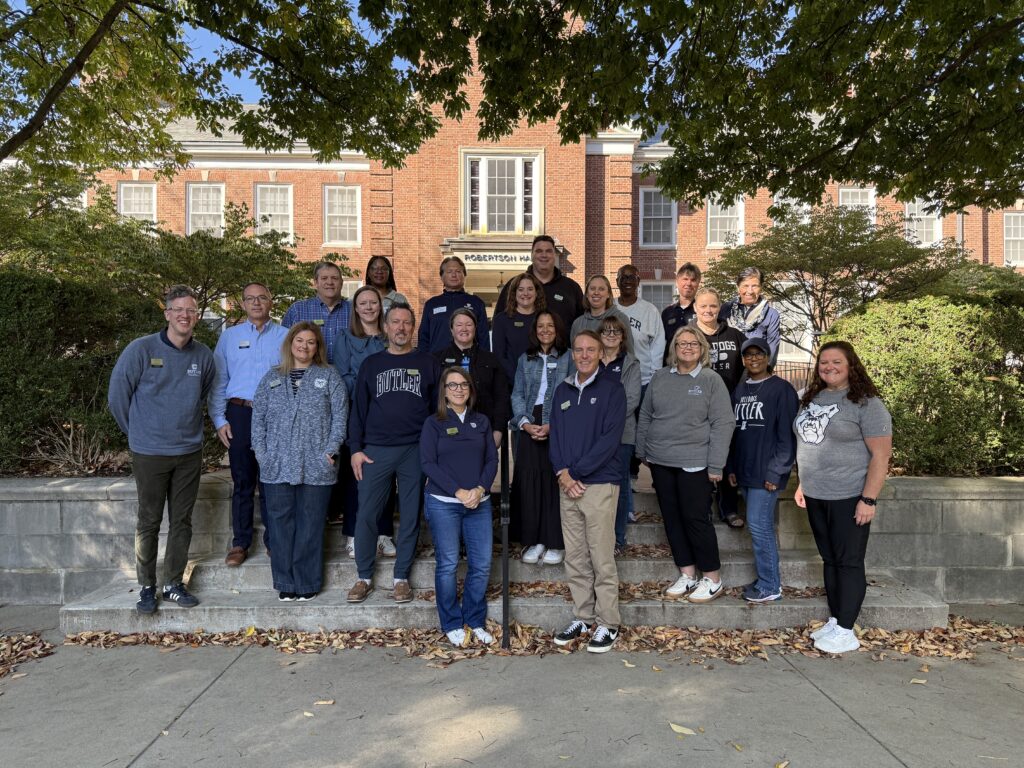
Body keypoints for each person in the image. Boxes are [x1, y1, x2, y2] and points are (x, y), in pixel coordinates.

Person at [108, 285, 215, 614]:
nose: (185, 315)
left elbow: (203, 395)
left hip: (188, 451)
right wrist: (139, 434)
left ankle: (173, 584)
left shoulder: (203, 356)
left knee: (181, 520)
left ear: (196, 316)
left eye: (191, 310)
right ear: (167, 313)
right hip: (150, 452)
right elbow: (117, 398)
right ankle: (147, 586)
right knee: (149, 521)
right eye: (178, 309)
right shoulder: (141, 350)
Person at [794, 341, 892, 654]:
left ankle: (847, 631)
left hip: (849, 496)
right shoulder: (813, 397)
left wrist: (869, 499)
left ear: (850, 365)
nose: (829, 368)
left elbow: (881, 456)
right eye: (824, 363)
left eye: (836, 362)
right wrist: (802, 483)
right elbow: (810, 443)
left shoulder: (866, 403)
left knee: (849, 562)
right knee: (830, 560)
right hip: (815, 494)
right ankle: (837, 620)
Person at [347, 303, 441, 604]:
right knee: (367, 515)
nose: (401, 328)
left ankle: (401, 577)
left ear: (412, 328)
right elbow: (358, 410)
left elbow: (436, 413)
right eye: (395, 322)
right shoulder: (372, 364)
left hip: (414, 449)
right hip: (375, 450)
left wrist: (432, 454)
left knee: (411, 514)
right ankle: (363, 576)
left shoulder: (428, 362)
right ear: (385, 328)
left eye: (406, 323)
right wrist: (356, 450)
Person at [635, 326, 734, 603]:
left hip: (695, 462)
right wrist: (643, 450)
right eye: (682, 343)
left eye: (693, 343)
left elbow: (723, 423)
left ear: (702, 349)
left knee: (695, 519)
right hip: (661, 461)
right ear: (674, 348)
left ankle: (712, 578)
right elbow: (646, 415)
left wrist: (716, 465)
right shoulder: (660, 378)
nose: (687, 347)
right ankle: (688, 573)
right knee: (673, 519)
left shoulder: (710, 379)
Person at [251, 322, 348, 601]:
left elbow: (340, 418)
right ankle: (285, 582)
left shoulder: (329, 377)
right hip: (277, 464)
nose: (304, 346)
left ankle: (307, 583)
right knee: (280, 525)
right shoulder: (271, 378)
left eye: (311, 342)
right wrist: (262, 453)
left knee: (311, 524)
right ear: (290, 344)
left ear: (318, 347)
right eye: (299, 341)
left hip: (316, 464)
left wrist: (330, 450)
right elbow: (258, 420)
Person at [549, 330, 627, 653]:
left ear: (599, 353)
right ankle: (583, 615)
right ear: (573, 353)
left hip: (599, 484)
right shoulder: (563, 390)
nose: (583, 355)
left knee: (600, 555)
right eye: (578, 349)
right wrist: (563, 475)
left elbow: (610, 441)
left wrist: (576, 473)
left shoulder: (612, 389)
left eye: (590, 350)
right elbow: (555, 438)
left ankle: (609, 622)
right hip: (568, 486)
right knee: (576, 556)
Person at [209, 282, 288, 566]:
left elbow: (293, 380)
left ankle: (273, 541)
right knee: (243, 481)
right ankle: (240, 543)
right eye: (250, 299)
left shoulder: (285, 336)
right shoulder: (230, 338)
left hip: (273, 415)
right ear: (242, 304)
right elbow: (219, 382)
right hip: (239, 414)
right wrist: (219, 420)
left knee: (271, 479)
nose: (256, 303)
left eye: (262, 298)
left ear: (271, 301)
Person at [420, 367, 499, 647]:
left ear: (470, 389)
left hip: (479, 502)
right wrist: (459, 491)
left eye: (463, 384)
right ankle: (452, 622)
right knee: (449, 564)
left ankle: (474, 619)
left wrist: (479, 489)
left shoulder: (482, 422)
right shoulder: (434, 423)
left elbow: (491, 460)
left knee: (481, 564)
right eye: (452, 385)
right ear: (444, 391)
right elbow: (428, 463)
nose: (458, 389)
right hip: (444, 503)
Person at [727, 338, 799, 603]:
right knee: (758, 527)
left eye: (758, 354)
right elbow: (734, 432)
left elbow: (787, 438)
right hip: (744, 469)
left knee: (760, 528)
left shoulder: (782, 390)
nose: (753, 359)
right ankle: (766, 579)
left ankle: (770, 585)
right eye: (748, 355)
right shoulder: (741, 389)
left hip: (765, 473)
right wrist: (732, 466)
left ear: (768, 357)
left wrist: (776, 472)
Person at [332, 285, 396, 558]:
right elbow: (342, 377)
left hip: (387, 416)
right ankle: (354, 534)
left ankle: (383, 534)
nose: (369, 307)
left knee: (385, 476)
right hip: (357, 414)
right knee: (355, 476)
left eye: (373, 303)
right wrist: (370, 385)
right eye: (363, 303)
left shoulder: (388, 338)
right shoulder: (346, 338)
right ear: (355, 309)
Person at [510, 311, 572, 565]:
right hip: (529, 423)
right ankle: (534, 540)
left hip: (557, 423)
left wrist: (552, 425)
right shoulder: (526, 359)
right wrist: (524, 423)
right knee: (529, 484)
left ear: (557, 329)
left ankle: (555, 542)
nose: (545, 330)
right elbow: (517, 394)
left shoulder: (568, 357)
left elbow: (570, 391)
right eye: (540, 326)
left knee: (552, 483)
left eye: (550, 325)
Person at [693, 287, 747, 529]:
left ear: (719, 308)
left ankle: (729, 508)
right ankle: (703, 508)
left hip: (729, 407)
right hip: (697, 409)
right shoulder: (687, 335)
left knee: (727, 458)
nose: (708, 310)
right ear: (695, 307)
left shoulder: (735, 336)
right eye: (703, 305)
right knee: (700, 460)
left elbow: (747, 368)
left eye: (713, 306)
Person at [597, 315, 641, 555]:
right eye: (606, 331)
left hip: (622, 434)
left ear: (623, 336)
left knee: (620, 485)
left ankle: (618, 538)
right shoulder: (591, 360)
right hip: (594, 435)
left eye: (616, 332)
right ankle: (598, 537)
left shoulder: (631, 363)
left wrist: (606, 420)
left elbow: (632, 399)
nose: (611, 335)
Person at [435, 308, 510, 447]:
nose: (464, 328)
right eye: (459, 325)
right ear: (451, 330)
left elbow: (502, 397)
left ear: (475, 328)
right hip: (446, 432)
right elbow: (432, 398)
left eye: (469, 324)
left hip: (483, 431)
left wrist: (498, 431)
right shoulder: (437, 360)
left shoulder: (491, 360)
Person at [493, 235, 585, 333]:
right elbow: (498, 324)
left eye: (549, 251)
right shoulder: (514, 286)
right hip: (520, 347)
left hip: (563, 348)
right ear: (532, 255)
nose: (544, 255)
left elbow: (583, 325)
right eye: (539, 251)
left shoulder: (571, 288)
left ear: (555, 255)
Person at [281, 261, 351, 364]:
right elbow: (285, 347)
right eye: (324, 278)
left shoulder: (355, 310)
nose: (330, 282)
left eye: (334, 278)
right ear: (315, 283)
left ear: (341, 283)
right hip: (307, 376)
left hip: (347, 377)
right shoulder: (297, 310)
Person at [418, 256, 490, 353]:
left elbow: (483, 337)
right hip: (437, 362)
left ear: (464, 275)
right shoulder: (431, 304)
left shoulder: (476, 303)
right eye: (449, 272)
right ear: (442, 276)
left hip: (468, 362)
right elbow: (423, 337)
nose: (454, 275)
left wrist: (484, 363)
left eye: (458, 271)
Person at [614, 264, 665, 389]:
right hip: (612, 379)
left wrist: (654, 376)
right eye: (623, 277)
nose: (627, 281)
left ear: (638, 281)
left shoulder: (650, 310)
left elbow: (657, 345)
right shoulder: (609, 307)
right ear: (617, 281)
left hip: (642, 380)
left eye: (632, 277)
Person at [719, 266, 782, 366]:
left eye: (755, 286)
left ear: (761, 287)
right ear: (738, 287)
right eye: (745, 286)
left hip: (756, 369)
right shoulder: (725, 309)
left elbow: (772, 347)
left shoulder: (771, 314)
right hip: (728, 367)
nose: (750, 291)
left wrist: (765, 372)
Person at [492, 271, 546, 381]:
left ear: (537, 293)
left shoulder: (545, 319)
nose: (525, 293)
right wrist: (518, 378)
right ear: (514, 293)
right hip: (511, 384)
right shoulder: (502, 320)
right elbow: (499, 356)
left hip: (541, 382)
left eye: (530, 289)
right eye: (521, 289)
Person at [569, 275, 632, 352]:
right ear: (587, 294)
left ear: (608, 294)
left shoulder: (620, 319)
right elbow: (574, 355)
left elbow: (630, 355)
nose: (596, 292)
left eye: (601, 289)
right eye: (592, 289)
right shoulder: (578, 323)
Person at [661, 263, 701, 363]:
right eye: (685, 279)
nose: (689, 283)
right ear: (677, 282)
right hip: (671, 367)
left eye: (693, 280)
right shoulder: (667, 313)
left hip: (696, 366)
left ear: (698, 283)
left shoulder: (702, 311)